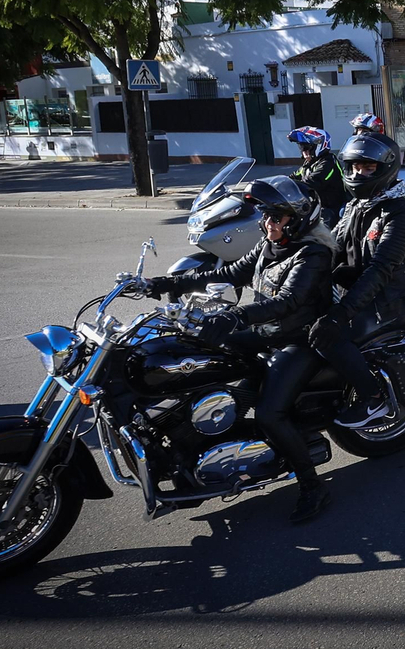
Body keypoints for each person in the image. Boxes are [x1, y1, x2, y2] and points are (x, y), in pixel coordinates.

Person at [144, 176, 337, 523]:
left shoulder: (314, 253)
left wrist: (234, 316)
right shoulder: (269, 245)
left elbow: (288, 301)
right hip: (266, 333)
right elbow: (229, 272)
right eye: (265, 215)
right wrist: (161, 284)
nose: (268, 223)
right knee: (199, 355)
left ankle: (312, 486)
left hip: (301, 340)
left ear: (299, 218)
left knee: (269, 414)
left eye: (276, 217)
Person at [307, 133, 405, 429]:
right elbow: (334, 249)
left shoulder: (399, 213)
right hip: (357, 291)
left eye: (368, 167)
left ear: (386, 168)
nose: (359, 172)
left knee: (327, 338)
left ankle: (374, 397)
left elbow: (380, 270)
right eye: (355, 166)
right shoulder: (356, 205)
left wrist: (340, 314)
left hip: (388, 300)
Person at [289, 127, 348, 229]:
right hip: (315, 206)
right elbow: (293, 177)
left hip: (331, 209)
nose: (304, 151)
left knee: (322, 236)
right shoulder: (309, 163)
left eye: (307, 147)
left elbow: (312, 183)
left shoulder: (328, 163)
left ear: (319, 146)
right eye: (301, 147)